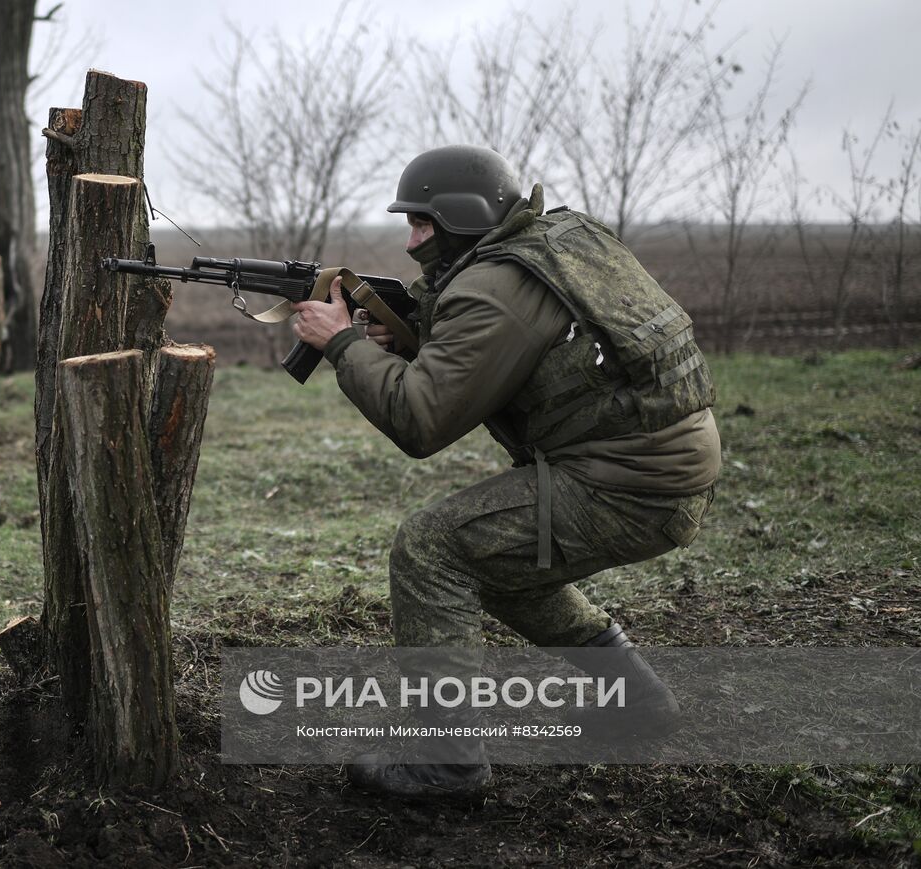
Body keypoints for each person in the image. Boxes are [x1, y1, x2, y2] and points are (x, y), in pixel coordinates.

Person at [291, 145, 720, 800]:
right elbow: (501, 351)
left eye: (422, 224)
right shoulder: (544, 245)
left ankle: (446, 759)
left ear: (459, 218)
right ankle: (633, 695)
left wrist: (343, 342)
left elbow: (420, 418)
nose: (410, 241)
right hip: (660, 464)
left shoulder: (493, 288)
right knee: (497, 557)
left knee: (432, 548)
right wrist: (404, 338)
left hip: (630, 482)